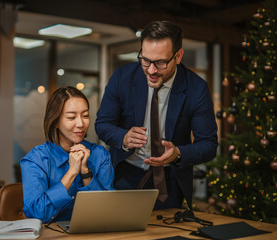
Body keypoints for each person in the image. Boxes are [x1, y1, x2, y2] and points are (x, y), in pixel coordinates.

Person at [95, 20, 218, 209]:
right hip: (124, 174)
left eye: (160, 62)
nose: (151, 70)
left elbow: (208, 145)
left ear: (178, 56)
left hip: (169, 180)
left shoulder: (196, 89)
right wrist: (124, 137)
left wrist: (178, 154)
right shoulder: (122, 77)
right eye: (145, 60)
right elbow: (102, 124)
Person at [21, 86, 114, 223]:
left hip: (94, 233)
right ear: (56, 121)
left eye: (85, 115)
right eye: (71, 117)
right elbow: (36, 214)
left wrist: (85, 173)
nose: (80, 123)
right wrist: (71, 173)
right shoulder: (36, 160)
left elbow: (108, 211)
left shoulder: (100, 155)